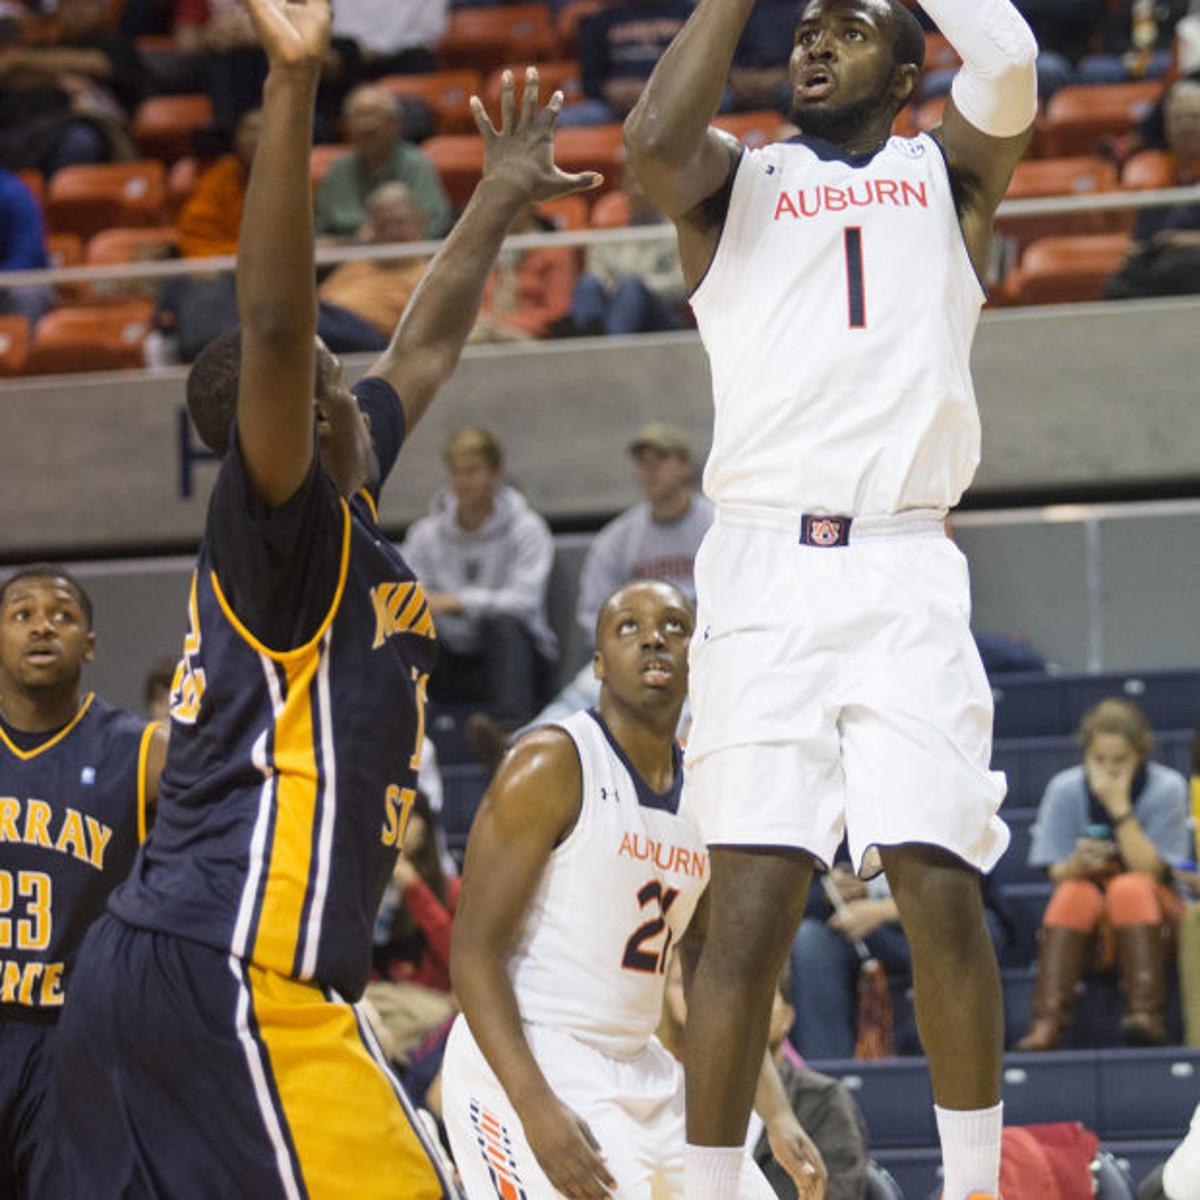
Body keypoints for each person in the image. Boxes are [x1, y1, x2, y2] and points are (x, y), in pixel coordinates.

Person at [51, 0, 601, 1187]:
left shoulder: (342, 498)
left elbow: (429, 348)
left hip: (183, 959)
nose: (362, 386)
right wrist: (290, 83)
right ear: (301, 414)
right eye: (333, 378)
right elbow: (271, 318)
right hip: (234, 964)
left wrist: (498, 200)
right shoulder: (279, 534)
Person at [624, 0, 1039, 1195]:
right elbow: (651, 143)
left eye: (849, 29)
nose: (813, 42)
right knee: (747, 907)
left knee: (939, 880)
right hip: (762, 565)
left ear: (909, 69)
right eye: (803, 27)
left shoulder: (946, 177)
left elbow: (1007, 56)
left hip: (904, 557)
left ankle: (972, 1186)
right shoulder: (730, 183)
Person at [443, 580, 825, 1199]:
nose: (653, 636)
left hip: (641, 1067)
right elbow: (472, 953)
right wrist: (535, 1106)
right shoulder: (550, 763)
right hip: (531, 1055)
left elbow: (712, 977)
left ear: (697, 658)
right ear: (597, 663)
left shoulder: (706, 790)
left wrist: (774, 1111)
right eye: (629, 626)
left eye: (675, 626)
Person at [0, 564, 166, 1199]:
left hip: (75, 1040)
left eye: (63, 615)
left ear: (90, 644)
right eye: (22, 613)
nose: (43, 624)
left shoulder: (143, 751)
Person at [1016, 699, 1190, 1050]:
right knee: (1072, 892)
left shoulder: (1167, 787)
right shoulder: (1064, 790)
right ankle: (1047, 1023)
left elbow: (1152, 869)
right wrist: (1078, 864)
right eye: (1100, 760)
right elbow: (1057, 874)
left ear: (1139, 755)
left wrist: (1119, 808)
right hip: (1092, 924)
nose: (1109, 770)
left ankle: (1146, 1015)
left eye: (1120, 760)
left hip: (1156, 918)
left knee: (1130, 886)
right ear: (1086, 755)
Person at [660, 957, 870, 1200]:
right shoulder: (665, 1092)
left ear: (788, 1017)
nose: (734, 1008)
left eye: (754, 996)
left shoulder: (824, 1101)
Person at [402, 427, 558, 729]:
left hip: (518, 662)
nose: (463, 482)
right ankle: (410, 733)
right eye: (456, 472)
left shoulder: (527, 529)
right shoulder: (424, 535)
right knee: (406, 633)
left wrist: (458, 602)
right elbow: (409, 598)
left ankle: (509, 737)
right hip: (449, 657)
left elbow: (524, 603)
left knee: (505, 625)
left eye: (472, 471)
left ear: (495, 472)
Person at [315, 83, 452, 240]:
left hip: (408, 254)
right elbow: (321, 228)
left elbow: (435, 222)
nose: (365, 126)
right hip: (347, 257)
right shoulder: (338, 168)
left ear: (396, 123)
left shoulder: (417, 164)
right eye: (357, 117)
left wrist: (385, 234)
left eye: (374, 115)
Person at [568, 164, 689, 336]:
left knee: (631, 286)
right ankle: (586, 346)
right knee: (587, 284)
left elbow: (681, 286)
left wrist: (639, 288)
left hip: (661, 317)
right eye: (632, 182)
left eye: (646, 183)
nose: (639, 190)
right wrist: (621, 291)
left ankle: (611, 355)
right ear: (623, 187)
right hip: (614, 310)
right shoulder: (609, 237)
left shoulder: (676, 235)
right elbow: (597, 273)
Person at [318, 181, 433, 342]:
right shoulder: (358, 261)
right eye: (383, 226)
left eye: (400, 223)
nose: (392, 232)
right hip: (328, 323)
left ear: (420, 222)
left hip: (369, 336)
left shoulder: (430, 275)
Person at [176, 108, 263, 259]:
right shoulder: (219, 177)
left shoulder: (295, 181)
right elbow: (194, 239)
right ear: (236, 138)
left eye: (263, 130)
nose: (254, 138)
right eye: (249, 130)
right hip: (223, 269)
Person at [0, 166, 54, 326]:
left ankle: (23, 349)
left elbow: (28, 257)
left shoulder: (13, 193)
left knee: (27, 292)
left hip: (13, 282)